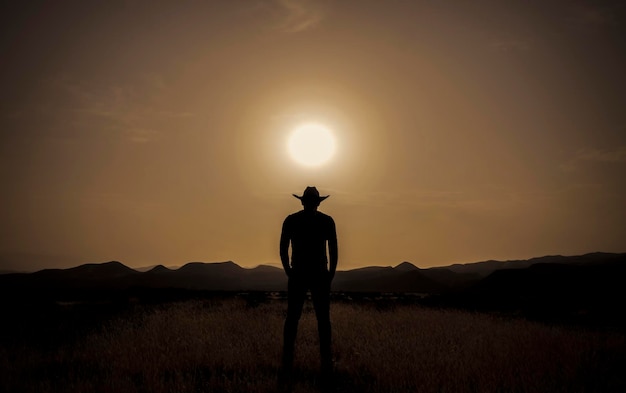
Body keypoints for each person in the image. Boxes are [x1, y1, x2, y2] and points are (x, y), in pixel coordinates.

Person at [280, 186, 338, 376]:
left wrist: (289, 270)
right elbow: (334, 250)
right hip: (317, 274)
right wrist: (330, 274)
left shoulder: (292, 220)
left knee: (295, 318)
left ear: (303, 201)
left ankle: (288, 360)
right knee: (320, 318)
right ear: (317, 202)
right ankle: (325, 361)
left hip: (301, 274)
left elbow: (283, 248)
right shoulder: (326, 221)